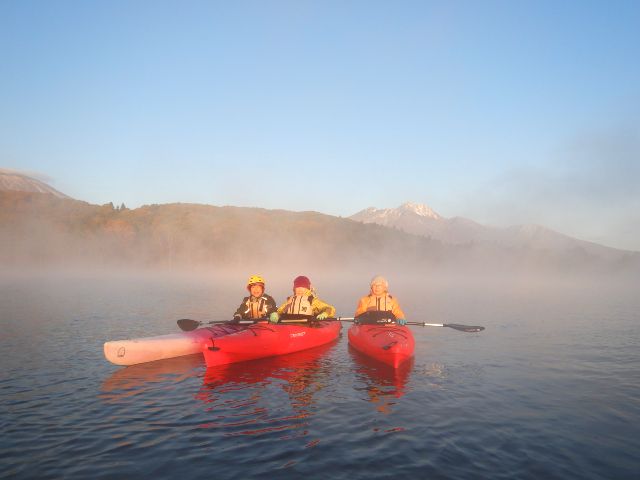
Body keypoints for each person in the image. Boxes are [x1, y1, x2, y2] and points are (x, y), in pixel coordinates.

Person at [270, 275, 335, 323]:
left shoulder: (312, 300)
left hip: (307, 326)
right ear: (294, 289)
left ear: (307, 289)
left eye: (303, 287)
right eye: (297, 287)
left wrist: (325, 313)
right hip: (289, 325)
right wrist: (276, 314)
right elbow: (280, 311)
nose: (300, 290)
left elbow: (329, 308)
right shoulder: (290, 300)